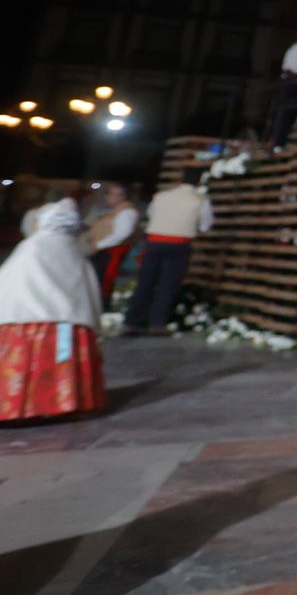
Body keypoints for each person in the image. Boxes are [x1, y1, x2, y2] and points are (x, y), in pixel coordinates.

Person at [0, 199, 107, 422]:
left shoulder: (31, 247)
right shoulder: (75, 251)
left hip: (23, 321)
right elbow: (87, 291)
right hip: (67, 324)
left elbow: (8, 281)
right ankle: (61, 403)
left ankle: (17, 408)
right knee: (59, 362)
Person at [123, 168, 214, 335]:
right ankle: (157, 323)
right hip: (180, 244)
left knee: (145, 282)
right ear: (200, 182)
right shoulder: (200, 199)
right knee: (168, 284)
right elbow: (205, 225)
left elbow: (151, 214)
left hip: (154, 241)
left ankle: (132, 321)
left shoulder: (161, 196)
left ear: (181, 179)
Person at [86, 183, 140, 304]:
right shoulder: (113, 211)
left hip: (111, 252)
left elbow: (122, 233)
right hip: (103, 250)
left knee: (104, 283)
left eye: (111, 194)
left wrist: (99, 245)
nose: (108, 197)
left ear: (121, 196)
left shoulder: (127, 212)